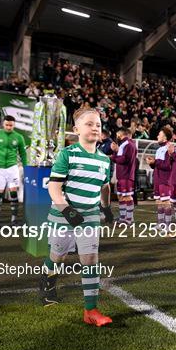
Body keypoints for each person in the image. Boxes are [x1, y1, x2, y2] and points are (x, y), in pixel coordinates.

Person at [39, 107, 114, 326]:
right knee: (58, 257)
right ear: (76, 129)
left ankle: (90, 310)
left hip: (90, 216)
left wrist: (106, 208)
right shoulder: (67, 154)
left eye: (98, 125)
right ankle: (47, 284)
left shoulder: (104, 160)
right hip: (63, 215)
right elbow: (54, 187)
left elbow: (105, 186)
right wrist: (66, 210)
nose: (95, 128)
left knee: (90, 259)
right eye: (89, 124)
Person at [146, 127, 174, 231]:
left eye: (159, 134)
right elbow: (158, 165)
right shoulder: (159, 149)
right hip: (158, 179)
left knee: (166, 202)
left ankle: (167, 225)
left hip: (165, 180)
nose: (157, 136)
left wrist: (155, 162)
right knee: (159, 202)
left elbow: (168, 165)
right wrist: (152, 164)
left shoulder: (169, 148)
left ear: (165, 137)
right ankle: (160, 224)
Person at [110, 128, 137, 224]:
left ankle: (129, 219)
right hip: (122, 175)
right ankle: (123, 218)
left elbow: (124, 159)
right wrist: (115, 151)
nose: (116, 137)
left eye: (117, 134)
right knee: (121, 196)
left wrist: (113, 155)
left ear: (121, 134)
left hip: (126, 175)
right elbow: (121, 158)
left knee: (127, 197)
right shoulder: (124, 144)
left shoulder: (128, 144)